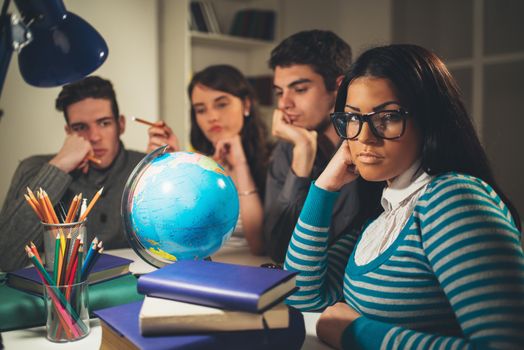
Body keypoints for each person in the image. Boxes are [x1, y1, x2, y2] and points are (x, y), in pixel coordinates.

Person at [284, 44, 524, 349]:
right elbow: (301, 293)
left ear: (429, 121)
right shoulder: (386, 212)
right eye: (353, 119)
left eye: (388, 118)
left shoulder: (452, 199)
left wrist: (355, 332)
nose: (365, 137)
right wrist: (323, 188)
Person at [0, 76, 148, 272]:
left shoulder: (146, 169)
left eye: (104, 123)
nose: (95, 137)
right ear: (68, 131)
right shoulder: (33, 168)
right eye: (80, 128)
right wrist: (59, 167)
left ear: (120, 125)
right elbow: (5, 258)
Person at [264, 30, 366, 263]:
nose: (284, 104)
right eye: (280, 92)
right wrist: (302, 153)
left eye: (299, 89)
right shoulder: (288, 147)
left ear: (339, 87)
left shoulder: (367, 146)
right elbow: (278, 250)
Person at [167, 64, 270, 255]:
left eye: (221, 104)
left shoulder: (274, 159)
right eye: (201, 109)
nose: (212, 117)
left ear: (246, 105)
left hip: (254, 272)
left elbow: (259, 245)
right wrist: (172, 169)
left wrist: (240, 165)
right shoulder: (196, 166)